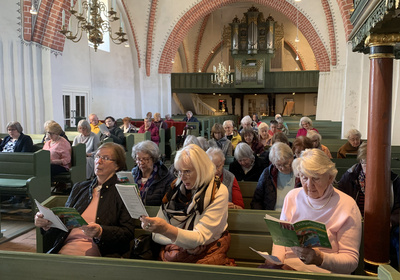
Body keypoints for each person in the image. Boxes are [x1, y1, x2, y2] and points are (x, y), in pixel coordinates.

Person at [269, 148, 362, 274]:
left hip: (323, 273)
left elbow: (351, 262)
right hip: (289, 270)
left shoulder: (347, 205)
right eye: (304, 177)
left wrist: (321, 259)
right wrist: (277, 262)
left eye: (316, 178)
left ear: (330, 178)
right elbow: (281, 240)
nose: (309, 185)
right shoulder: (292, 197)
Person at [34, 142, 135, 256]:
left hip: (99, 251)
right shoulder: (80, 187)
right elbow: (64, 223)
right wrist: (47, 224)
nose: (99, 161)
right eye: (97, 156)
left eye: (106, 158)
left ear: (117, 165)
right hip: (67, 245)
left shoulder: (123, 192)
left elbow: (128, 233)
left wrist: (101, 232)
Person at [139, 144, 232, 265]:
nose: (182, 178)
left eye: (187, 171)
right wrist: (183, 242)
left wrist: (166, 230)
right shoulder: (175, 189)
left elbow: (199, 237)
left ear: (201, 169)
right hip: (174, 255)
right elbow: (155, 235)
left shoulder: (218, 191)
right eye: (179, 172)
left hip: (207, 255)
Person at [338, 142, 400, 268]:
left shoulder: (394, 180)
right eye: (365, 162)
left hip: (386, 227)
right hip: (354, 223)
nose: (369, 167)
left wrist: (390, 221)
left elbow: (399, 207)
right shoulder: (349, 177)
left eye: (374, 163)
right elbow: (340, 202)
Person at [251, 142, 299, 210]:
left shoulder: (301, 172)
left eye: (285, 163)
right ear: (273, 164)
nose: (283, 168)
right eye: (279, 165)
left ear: (292, 157)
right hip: (272, 215)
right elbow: (256, 201)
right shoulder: (268, 173)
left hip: (295, 215)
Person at [131, 140, 174, 206]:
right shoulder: (133, 174)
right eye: (138, 159)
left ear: (153, 159)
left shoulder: (166, 177)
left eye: (145, 159)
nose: (141, 163)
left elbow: (168, 204)